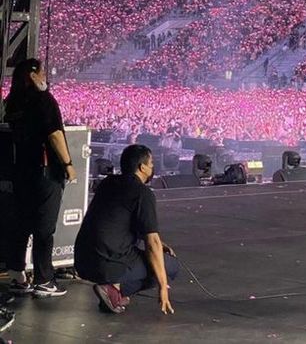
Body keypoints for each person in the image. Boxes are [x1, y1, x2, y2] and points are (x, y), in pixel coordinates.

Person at [74, 144, 179, 315]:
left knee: (154, 254)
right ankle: (115, 291)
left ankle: (111, 293)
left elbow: (116, 223)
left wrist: (160, 243)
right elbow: (152, 243)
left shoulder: (108, 183)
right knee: (170, 266)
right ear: (142, 167)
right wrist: (163, 288)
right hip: (106, 264)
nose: (152, 167)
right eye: (151, 164)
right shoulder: (142, 193)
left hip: (82, 260)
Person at [3, 58, 76, 298]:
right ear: (34, 75)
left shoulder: (13, 102)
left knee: (21, 224)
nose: (46, 75)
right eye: (42, 71)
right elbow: (54, 134)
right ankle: (44, 279)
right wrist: (68, 163)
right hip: (45, 172)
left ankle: (16, 274)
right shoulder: (44, 100)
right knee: (45, 227)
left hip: (21, 171)